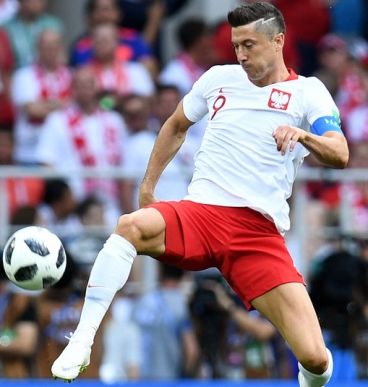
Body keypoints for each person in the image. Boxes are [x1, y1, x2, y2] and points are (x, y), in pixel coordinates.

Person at [51, 3, 349, 386]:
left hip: (257, 235)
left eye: (249, 45)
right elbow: (176, 124)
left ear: (278, 42)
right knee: (129, 226)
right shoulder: (217, 78)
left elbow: (339, 152)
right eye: (236, 45)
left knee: (315, 357)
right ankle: (82, 340)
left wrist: (303, 135)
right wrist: (148, 187)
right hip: (203, 213)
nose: (241, 55)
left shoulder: (308, 92)